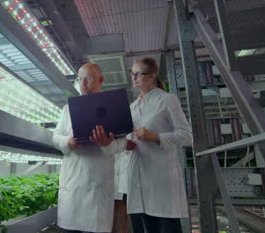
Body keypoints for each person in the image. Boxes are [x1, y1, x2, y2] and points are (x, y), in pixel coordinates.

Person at [90, 57, 192, 233]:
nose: (134, 77)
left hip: (161, 182)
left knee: (167, 228)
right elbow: (126, 144)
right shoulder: (131, 108)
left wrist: (156, 137)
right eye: (133, 73)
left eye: (139, 74)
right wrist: (109, 142)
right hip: (135, 181)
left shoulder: (167, 100)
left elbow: (187, 136)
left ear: (152, 76)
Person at [52, 63, 135, 233]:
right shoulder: (68, 109)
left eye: (88, 78)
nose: (83, 83)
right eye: (80, 79)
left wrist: (107, 144)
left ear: (100, 80)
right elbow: (55, 136)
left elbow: (122, 143)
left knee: (95, 228)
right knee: (71, 229)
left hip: (98, 186)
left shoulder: (113, 108)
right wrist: (68, 142)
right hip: (73, 183)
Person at [111, 151, 130, 233]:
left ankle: (123, 229)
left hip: (123, 172)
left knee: (121, 202)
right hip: (113, 171)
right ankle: (112, 228)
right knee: (113, 203)